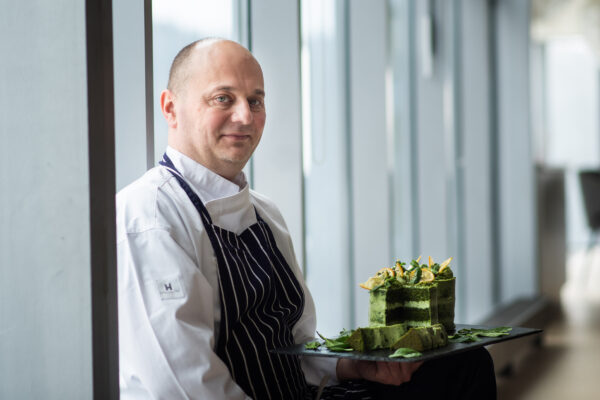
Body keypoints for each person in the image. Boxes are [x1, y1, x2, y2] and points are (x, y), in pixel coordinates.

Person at [116, 38, 497, 399]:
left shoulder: (266, 215)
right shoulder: (150, 215)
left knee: (465, 365)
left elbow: (296, 344)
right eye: (223, 98)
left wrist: (353, 366)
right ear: (170, 108)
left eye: (255, 100)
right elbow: (182, 384)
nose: (245, 116)